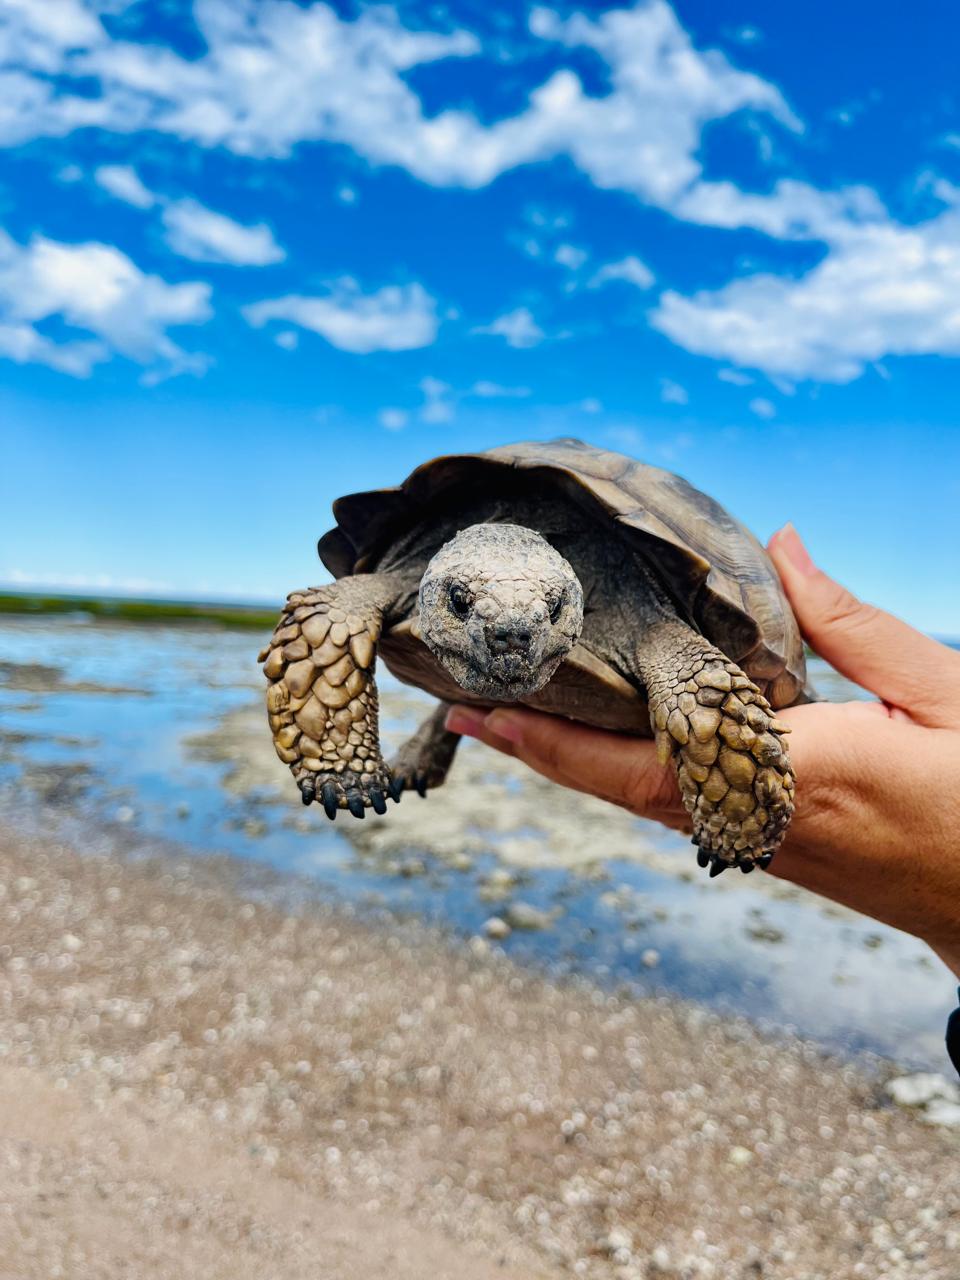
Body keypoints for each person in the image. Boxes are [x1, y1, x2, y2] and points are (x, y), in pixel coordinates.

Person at [445, 524, 960, 1074]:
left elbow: (711, 706)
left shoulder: (654, 625)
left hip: (664, 642)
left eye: (549, 612)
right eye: (461, 602)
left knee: (707, 707)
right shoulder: (428, 575)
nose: (512, 634)